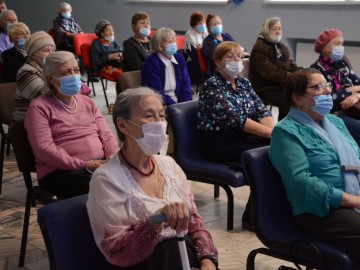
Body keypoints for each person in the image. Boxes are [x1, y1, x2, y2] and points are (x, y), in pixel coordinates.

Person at [87, 87, 219, 270]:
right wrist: (156, 220)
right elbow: (116, 250)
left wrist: (207, 259)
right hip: (143, 263)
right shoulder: (106, 179)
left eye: (162, 115)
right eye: (149, 116)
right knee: (170, 248)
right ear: (123, 125)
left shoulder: (170, 165)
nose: (159, 123)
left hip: (181, 255)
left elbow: (195, 223)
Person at [269, 68, 360, 260]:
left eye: (327, 85)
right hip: (320, 210)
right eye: (318, 88)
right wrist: (352, 200)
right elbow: (301, 183)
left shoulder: (335, 122)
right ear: (298, 98)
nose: (327, 91)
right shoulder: (285, 132)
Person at [197, 41, 274, 230]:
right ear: (217, 62)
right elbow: (236, 120)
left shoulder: (243, 83)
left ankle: (266, 213)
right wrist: (274, 134)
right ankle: (253, 218)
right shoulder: (211, 86)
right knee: (266, 157)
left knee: (277, 150)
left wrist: (275, 133)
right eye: (230, 56)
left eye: (239, 56)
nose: (236, 60)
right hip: (219, 142)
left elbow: (261, 111)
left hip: (241, 137)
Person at [24, 51, 119, 199]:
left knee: (133, 178)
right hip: (61, 173)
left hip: (97, 166)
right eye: (66, 72)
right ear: (51, 79)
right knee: (108, 189)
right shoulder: (39, 107)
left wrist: (112, 157)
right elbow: (44, 148)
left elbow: (106, 134)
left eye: (76, 70)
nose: (74, 75)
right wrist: (84, 164)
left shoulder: (87, 102)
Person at [310, 29, 360, 144]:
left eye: (342, 44)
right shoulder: (317, 70)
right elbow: (329, 97)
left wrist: (355, 95)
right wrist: (350, 90)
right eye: (337, 44)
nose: (341, 48)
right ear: (324, 48)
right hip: (335, 114)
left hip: (354, 108)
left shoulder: (342, 64)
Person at [249, 16, 299, 121]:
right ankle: (282, 128)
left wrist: (301, 72)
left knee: (298, 94)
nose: (277, 31)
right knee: (284, 99)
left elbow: (289, 64)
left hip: (280, 84)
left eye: (279, 28)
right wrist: (290, 76)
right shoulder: (260, 47)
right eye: (274, 29)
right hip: (265, 87)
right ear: (266, 30)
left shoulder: (282, 47)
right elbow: (269, 72)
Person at [141, 27, 192, 106]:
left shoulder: (179, 58)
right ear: (159, 44)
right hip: (160, 103)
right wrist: (174, 107)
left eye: (174, 39)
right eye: (169, 40)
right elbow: (156, 92)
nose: (173, 43)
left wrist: (185, 104)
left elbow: (186, 83)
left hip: (179, 101)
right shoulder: (151, 62)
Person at [12, 31, 55, 122]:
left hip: (48, 117)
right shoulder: (25, 72)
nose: (51, 54)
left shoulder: (47, 69)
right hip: (28, 122)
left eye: (53, 50)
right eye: (46, 50)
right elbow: (45, 97)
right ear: (33, 53)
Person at [91, 19, 123, 94]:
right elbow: (95, 61)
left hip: (118, 64)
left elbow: (121, 51)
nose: (112, 33)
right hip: (104, 67)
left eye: (112, 30)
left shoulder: (114, 41)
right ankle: (122, 97)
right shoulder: (96, 43)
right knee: (122, 75)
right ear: (102, 33)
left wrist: (120, 54)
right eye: (108, 30)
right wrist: (108, 57)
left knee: (132, 72)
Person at [184, 11, 208, 86]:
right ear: (194, 25)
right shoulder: (189, 34)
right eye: (200, 23)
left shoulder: (206, 32)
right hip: (195, 62)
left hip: (205, 57)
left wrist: (202, 48)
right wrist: (203, 49)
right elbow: (193, 53)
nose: (203, 25)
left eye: (203, 22)